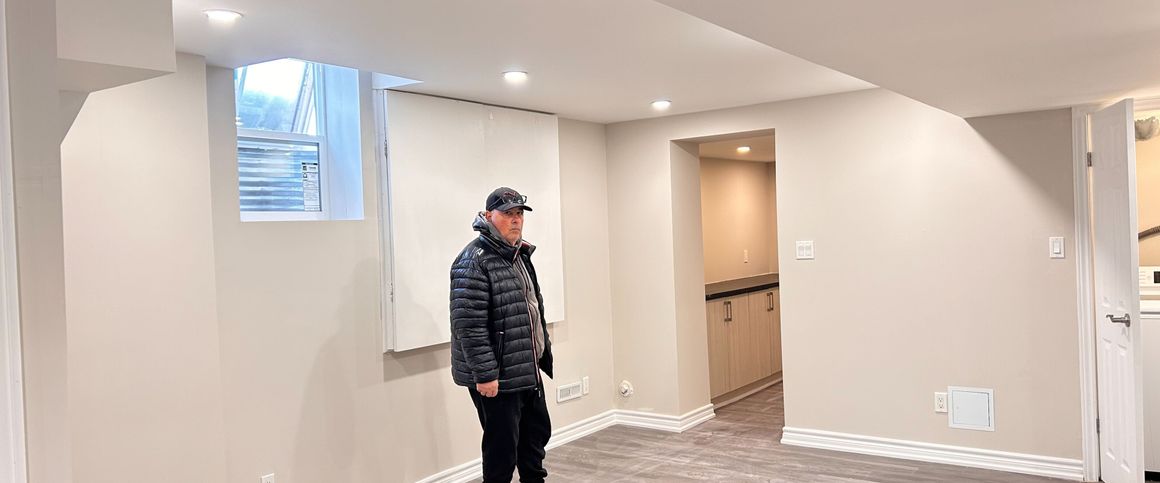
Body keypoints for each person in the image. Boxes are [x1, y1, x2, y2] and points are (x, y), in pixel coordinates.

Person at [450, 186, 554, 483]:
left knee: (535, 439)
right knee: (501, 452)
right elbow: (468, 325)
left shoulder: (520, 254)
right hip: (497, 377)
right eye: (508, 213)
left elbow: (533, 307)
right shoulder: (474, 260)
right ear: (488, 216)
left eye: (519, 213)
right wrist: (485, 375)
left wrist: (542, 351)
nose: (516, 219)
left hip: (526, 367)